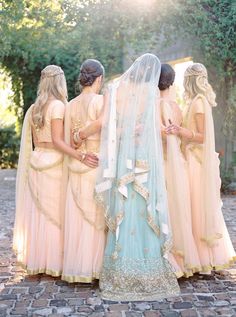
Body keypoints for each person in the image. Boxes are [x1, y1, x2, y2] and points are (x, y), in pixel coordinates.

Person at [95, 53, 179, 301]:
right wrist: (141, 129)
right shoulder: (150, 94)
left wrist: (128, 129)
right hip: (144, 157)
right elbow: (154, 128)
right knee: (145, 204)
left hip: (123, 154)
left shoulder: (115, 88)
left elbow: (109, 126)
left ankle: (119, 269)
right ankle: (149, 268)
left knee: (127, 201)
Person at [13, 65, 97, 276]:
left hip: (38, 159)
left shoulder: (34, 108)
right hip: (55, 163)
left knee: (40, 212)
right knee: (56, 213)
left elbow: (34, 141)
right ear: (59, 82)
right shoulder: (58, 107)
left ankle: (38, 260)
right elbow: (59, 142)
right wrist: (80, 155)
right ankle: (55, 262)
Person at [166, 63, 236, 273]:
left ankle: (204, 258)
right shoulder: (197, 101)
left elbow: (203, 137)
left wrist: (180, 131)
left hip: (196, 162)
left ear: (190, 81)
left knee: (196, 206)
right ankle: (201, 255)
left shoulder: (198, 103)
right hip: (192, 158)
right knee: (195, 207)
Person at [62, 59, 106, 283]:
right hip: (97, 162)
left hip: (78, 163)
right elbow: (107, 128)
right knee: (96, 216)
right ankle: (96, 267)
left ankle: (77, 267)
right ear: (99, 78)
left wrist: (79, 145)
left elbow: (67, 141)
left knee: (79, 215)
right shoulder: (101, 101)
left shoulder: (69, 105)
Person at [159, 64, 201, 277]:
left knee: (165, 211)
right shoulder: (176, 107)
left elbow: (161, 137)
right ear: (172, 82)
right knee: (179, 211)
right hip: (180, 165)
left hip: (164, 164)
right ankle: (184, 259)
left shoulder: (155, 105)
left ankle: (168, 258)